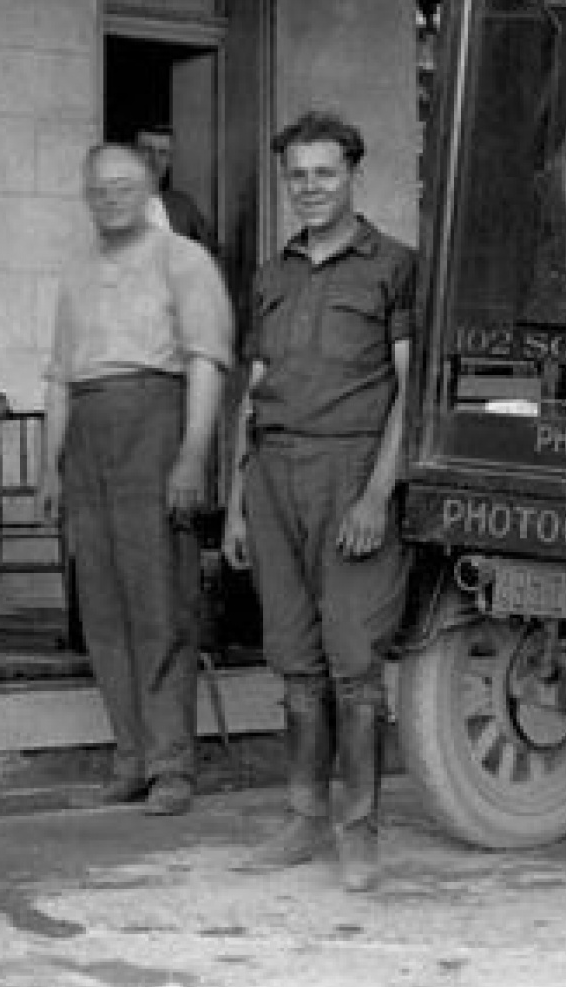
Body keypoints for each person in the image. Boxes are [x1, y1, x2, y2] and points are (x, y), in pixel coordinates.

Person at [224, 110, 417, 892]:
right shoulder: (271, 275)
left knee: (354, 663)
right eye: (297, 175)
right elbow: (254, 389)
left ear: (352, 175)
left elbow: (409, 390)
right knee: (294, 660)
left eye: (324, 173)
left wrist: (377, 493)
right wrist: (236, 503)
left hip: (350, 473)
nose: (309, 187)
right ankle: (304, 816)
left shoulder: (394, 266)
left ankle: (359, 831)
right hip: (273, 475)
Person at [42, 143, 234, 817]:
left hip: (155, 425)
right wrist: (50, 465)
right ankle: (129, 756)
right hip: (87, 437)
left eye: (124, 185)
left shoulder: (185, 259)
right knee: (102, 606)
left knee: (160, 602)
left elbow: (207, 361)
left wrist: (192, 455)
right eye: (99, 188)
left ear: (150, 187)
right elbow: (60, 377)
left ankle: (171, 763)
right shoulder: (75, 271)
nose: (111, 197)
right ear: (86, 196)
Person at [134, 126, 217, 253]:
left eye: (163, 152)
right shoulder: (113, 202)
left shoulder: (183, 206)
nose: (155, 160)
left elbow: (211, 252)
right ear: (133, 154)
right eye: (147, 150)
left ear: (170, 160)